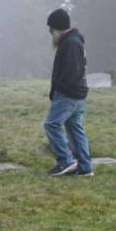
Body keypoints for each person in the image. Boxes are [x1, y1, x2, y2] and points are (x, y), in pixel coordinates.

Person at [44, 9, 93, 177]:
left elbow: (72, 72)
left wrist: (60, 88)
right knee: (74, 128)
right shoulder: (73, 40)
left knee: (52, 124)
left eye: (51, 29)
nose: (51, 33)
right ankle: (85, 167)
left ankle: (66, 161)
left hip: (68, 94)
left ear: (57, 28)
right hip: (78, 94)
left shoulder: (70, 42)